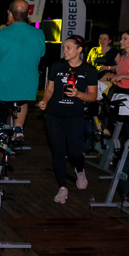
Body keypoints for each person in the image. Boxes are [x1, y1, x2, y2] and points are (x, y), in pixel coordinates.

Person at [38, 36, 98, 204]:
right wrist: (45, 100)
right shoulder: (57, 66)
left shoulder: (89, 70)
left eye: (69, 47)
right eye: (64, 47)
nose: (65, 50)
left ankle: (80, 169)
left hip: (74, 115)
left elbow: (93, 96)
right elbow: (50, 88)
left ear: (79, 50)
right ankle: (62, 188)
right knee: (58, 151)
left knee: (74, 152)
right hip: (54, 114)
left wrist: (78, 94)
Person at [0, 0, 46, 142]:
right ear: (27, 15)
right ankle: (18, 128)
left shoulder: (1, 34)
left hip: (3, 86)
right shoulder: (39, 34)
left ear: (10, 15)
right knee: (22, 101)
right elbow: (41, 54)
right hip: (28, 85)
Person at [100, 30, 129, 98]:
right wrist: (111, 75)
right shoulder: (124, 56)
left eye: (125, 39)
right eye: (121, 38)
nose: (121, 41)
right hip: (119, 89)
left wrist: (123, 76)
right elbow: (122, 74)